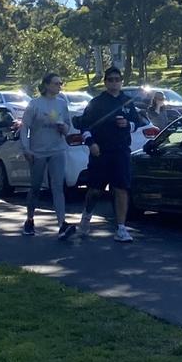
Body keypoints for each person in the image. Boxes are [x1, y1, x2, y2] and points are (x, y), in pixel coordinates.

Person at [78, 67, 147, 242]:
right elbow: (84, 126)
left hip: (121, 151)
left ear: (121, 81)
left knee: (121, 188)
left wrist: (127, 124)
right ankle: (86, 216)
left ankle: (121, 228)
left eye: (117, 79)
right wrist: (91, 143)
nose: (114, 82)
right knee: (95, 190)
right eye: (111, 79)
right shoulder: (96, 102)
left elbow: (137, 123)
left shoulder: (127, 101)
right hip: (100, 152)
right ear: (106, 82)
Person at [21, 73, 76, 240]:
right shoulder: (35, 104)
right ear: (46, 85)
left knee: (58, 186)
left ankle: (62, 224)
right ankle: (30, 219)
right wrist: (26, 149)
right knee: (36, 187)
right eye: (56, 83)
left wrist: (64, 129)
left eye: (61, 83)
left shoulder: (61, 103)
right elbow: (24, 128)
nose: (59, 86)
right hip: (38, 151)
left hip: (57, 150)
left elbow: (67, 125)